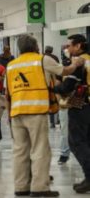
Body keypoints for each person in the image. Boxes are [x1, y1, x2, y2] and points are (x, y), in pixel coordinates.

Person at [5, 34, 83, 197]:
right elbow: (64, 71)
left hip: (16, 113)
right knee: (40, 150)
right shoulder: (42, 60)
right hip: (36, 111)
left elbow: (8, 93)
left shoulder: (11, 65)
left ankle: (21, 187)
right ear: (35, 46)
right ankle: (39, 187)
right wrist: (76, 63)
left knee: (20, 151)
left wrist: (9, 116)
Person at [54, 34, 90, 194]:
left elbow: (66, 87)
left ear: (79, 45)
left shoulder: (78, 63)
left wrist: (53, 86)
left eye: (69, 46)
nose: (67, 49)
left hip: (81, 107)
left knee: (77, 142)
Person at [44, 46, 60, 128]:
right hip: (56, 82)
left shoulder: (42, 58)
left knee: (50, 102)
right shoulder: (55, 58)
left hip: (47, 84)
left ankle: (51, 122)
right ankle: (57, 120)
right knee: (56, 101)